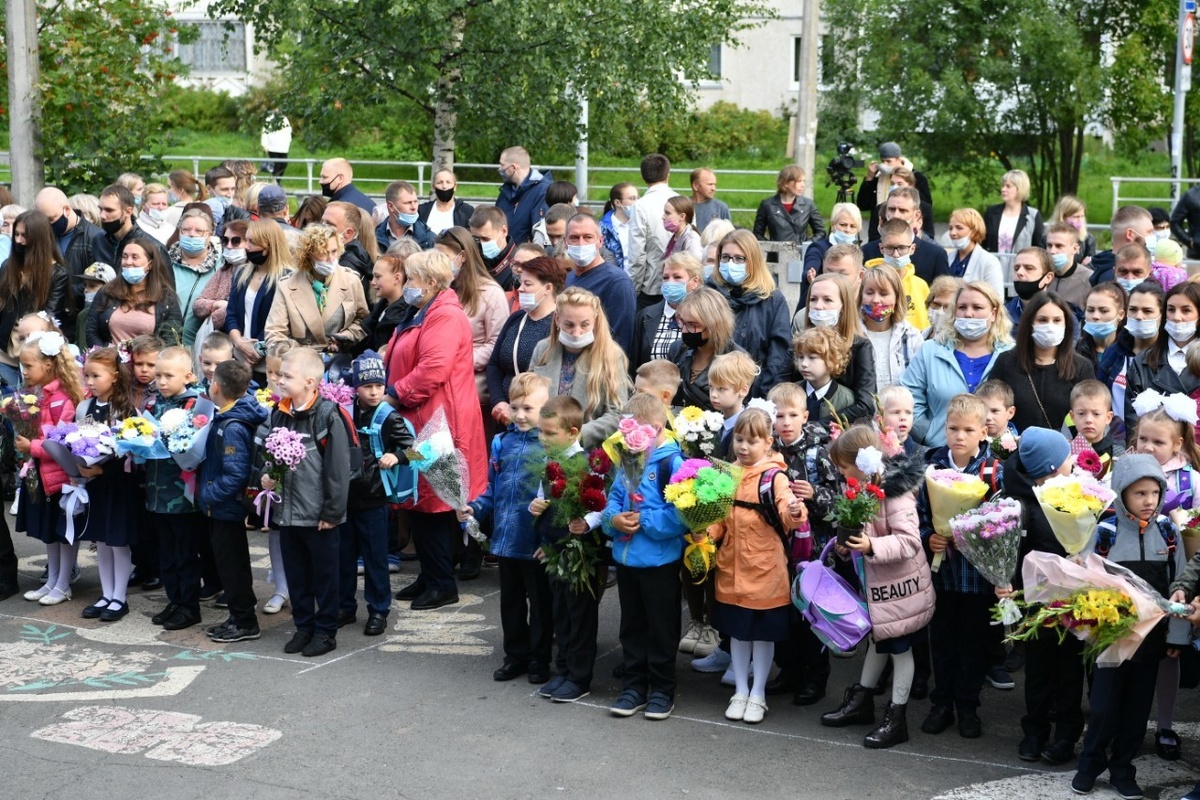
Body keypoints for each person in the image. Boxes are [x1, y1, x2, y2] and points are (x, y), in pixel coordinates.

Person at [385, 249, 488, 610]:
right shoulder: (426, 309)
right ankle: (431, 575)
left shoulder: (444, 316)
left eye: (411, 279)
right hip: (424, 419)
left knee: (434, 501)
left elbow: (432, 370)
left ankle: (442, 582)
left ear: (429, 282)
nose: (407, 285)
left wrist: (393, 395)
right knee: (421, 498)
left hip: (438, 424)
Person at [819, 426, 929, 748]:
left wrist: (869, 545)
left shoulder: (894, 492)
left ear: (860, 463)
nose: (840, 473)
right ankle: (863, 701)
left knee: (900, 650)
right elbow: (866, 532)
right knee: (879, 643)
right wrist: (850, 545)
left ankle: (897, 718)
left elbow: (909, 541)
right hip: (880, 588)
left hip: (901, 590)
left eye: (843, 466)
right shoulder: (867, 487)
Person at [706, 407, 803, 726]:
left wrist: (796, 513)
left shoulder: (775, 477)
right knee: (738, 632)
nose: (743, 447)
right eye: (739, 439)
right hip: (731, 568)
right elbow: (720, 521)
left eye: (751, 441)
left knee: (762, 635)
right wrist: (703, 533)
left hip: (765, 570)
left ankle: (758, 693)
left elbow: (787, 516)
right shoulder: (727, 473)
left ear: (768, 443)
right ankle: (741, 690)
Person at [993, 428, 1082, 764]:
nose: (1071, 461)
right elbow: (1007, 551)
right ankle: (1035, 731)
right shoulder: (1019, 504)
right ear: (1050, 468)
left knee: (1071, 670)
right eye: (1065, 458)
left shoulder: (1074, 494)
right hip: (1036, 601)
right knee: (1039, 670)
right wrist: (1004, 581)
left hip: (1073, 599)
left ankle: (1066, 736)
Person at [257, 346, 352, 656]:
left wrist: (333, 512)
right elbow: (271, 455)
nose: (279, 380)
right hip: (288, 512)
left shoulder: (326, 414)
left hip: (318, 515)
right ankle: (304, 627)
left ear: (310, 382)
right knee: (297, 575)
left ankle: (325, 631)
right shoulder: (279, 411)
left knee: (324, 576)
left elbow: (337, 468)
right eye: (279, 374)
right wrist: (267, 475)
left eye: (287, 376)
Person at [918, 394, 1003, 740]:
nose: (959, 436)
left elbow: (1002, 521)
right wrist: (929, 537)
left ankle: (968, 706)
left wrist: (975, 535)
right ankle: (942, 704)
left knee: (972, 643)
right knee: (942, 641)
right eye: (953, 428)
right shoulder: (932, 466)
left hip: (976, 578)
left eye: (968, 430)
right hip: (943, 575)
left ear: (983, 432)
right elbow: (921, 512)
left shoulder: (993, 470)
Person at [602, 393, 691, 721]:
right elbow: (613, 496)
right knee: (632, 626)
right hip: (627, 560)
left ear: (655, 428)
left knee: (661, 628)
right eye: (625, 433)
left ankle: (662, 690)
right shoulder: (628, 456)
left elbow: (683, 514)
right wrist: (613, 520)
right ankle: (634, 686)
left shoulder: (672, 464)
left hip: (659, 563)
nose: (626, 439)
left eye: (632, 433)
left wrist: (646, 521)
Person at [461, 372, 553, 683]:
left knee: (541, 604)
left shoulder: (549, 445)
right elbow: (492, 489)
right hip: (506, 538)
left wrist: (553, 540)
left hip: (536, 540)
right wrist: (474, 507)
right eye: (515, 408)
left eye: (529, 408)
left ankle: (540, 659)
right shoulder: (501, 442)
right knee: (511, 602)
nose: (520, 415)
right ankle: (516, 655)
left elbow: (558, 496)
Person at [766, 382, 840, 704]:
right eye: (778, 415)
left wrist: (815, 495)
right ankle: (788, 669)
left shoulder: (819, 451)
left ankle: (815, 675)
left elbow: (839, 500)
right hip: (776, 547)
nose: (785, 421)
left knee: (811, 612)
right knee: (783, 612)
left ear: (805, 416)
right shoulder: (768, 451)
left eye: (792, 415)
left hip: (812, 550)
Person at [340, 350, 414, 637]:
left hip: (374, 497)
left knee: (375, 558)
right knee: (343, 556)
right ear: (356, 387)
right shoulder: (344, 410)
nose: (374, 392)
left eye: (379, 386)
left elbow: (418, 451)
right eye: (367, 386)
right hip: (346, 495)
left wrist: (396, 456)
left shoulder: (390, 417)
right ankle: (345, 607)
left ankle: (378, 610)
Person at [197, 359, 270, 643]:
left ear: (216, 386)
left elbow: (235, 474)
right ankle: (239, 615)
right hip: (221, 508)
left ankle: (245, 622)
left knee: (233, 567)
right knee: (231, 564)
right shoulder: (228, 415)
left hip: (225, 508)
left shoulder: (233, 427)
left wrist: (208, 494)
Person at [144, 346, 212, 632]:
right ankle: (174, 600)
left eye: (168, 376)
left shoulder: (194, 405)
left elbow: (195, 446)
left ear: (187, 375)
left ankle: (189, 606)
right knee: (167, 552)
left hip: (182, 497)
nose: (161, 381)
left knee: (185, 553)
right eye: (158, 375)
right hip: (156, 491)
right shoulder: (155, 403)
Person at [68, 347, 136, 621]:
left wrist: (102, 470)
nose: (90, 382)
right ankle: (106, 593)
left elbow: (129, 451)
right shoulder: (85, 407)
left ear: (115, 376)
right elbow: (79, 440)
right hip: (94, 484)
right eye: (87, 376)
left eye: (96, 376)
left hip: (117, 484)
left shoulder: (125, 409)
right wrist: (77, 466)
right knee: (101, 542)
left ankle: (120, 597)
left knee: (118, 542)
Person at [16, 331, 83, 607]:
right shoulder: (41, 395)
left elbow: (60, 442)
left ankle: (63, 583)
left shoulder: (64, 399)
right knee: (50, 532)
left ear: (48, 365)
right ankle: (52, 580)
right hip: (44, 475)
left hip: (60, 477)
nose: (24, 371)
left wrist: (31, 447)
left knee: (63, 532)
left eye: (28, 365)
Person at [903, 281, 1014, 447]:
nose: (968, 314)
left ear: (994, 314)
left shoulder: (1011, 354)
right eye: (962, 307)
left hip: (996, 456)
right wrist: (929, 434)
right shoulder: (930, 351)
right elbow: (909, 398)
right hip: (939, 453)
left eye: (977, 308)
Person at [530, 287, 631, 448]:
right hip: (541, 445)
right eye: (569, 325)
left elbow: (618, 413)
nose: (576, 333)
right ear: (557, 319)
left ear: (595, 321)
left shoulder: (611, 355)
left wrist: (579, 435)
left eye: (584, 325)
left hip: (586, 452)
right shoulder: (542, 349)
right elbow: (529, 398)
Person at [437, 226, 510, 435]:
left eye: (444, 257)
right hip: (441, 388)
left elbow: (496, 344)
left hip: (473, 391)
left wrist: (457, 362)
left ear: (463, 257)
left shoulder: (490, 293)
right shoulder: (442, 289)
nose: (439, 263)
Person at [989, 291, 1094, 432]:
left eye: (1057, 320)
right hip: (1015, 449)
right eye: (1042, 320)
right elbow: (989, 407)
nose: (1050, 326)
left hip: (1065, 450)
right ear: (1030, 323)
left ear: (1066, 325)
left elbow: (1091, 414)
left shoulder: (1081, 367)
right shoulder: (1006, 362)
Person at [710, 230, 793, 399]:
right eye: (725, 257)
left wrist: (760, 396)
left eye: (739, 258)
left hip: (756, 395)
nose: (730, 263)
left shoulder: (773, 300)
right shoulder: (709, 295)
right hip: (712, 394)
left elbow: (778, 357)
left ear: (753, 262)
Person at [487, 256, 566, 426]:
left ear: (548, 288)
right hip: (502, 414)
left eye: (528, 284)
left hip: (534, 420)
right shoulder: (517, 318)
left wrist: (519, 411)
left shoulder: (559, 325)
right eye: (521, 283)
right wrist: (499, 401)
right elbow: (494, 364)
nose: (520, 289)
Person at [264, 223, 368, 350]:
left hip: (337, 360)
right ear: (308, 254)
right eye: (323, 253)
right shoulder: (287, 285)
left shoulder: (351, 281)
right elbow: (275, 332)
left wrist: (345, 337)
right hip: (299, 362)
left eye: (334, 251)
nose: (330, 259)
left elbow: (363, 321)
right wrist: (295, 352)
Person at [0, 211, 68, 387]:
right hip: (5, 350)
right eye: (16, 234)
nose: (19, 241)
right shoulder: (8, 267)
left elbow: (50, 316)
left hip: (35, 354)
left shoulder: (57, 274)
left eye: (25, 236)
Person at [796, 272, 875, 422]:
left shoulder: (860, 345)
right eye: (813, 299)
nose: (818, 306)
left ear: (843, 307)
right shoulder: (800, 343)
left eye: (827, 300)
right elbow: (782, 386)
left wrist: (820, 426)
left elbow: (865, 404)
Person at [1124, 282, 1200, 435]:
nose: (1176, 317)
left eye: (1186, 310)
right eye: (1171, 310)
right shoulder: (1143, 361)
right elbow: (1133, 422)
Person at [225, 220, 289, 384]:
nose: (246, 246)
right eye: (246, 240)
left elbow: (279, 322)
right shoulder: (241, 273)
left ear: (269, 245)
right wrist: (239, 342)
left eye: (252, 242)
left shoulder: (287, 279)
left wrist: (256, 351)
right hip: (238, 356)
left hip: (267, 363)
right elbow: (231, 313)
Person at [85, 239, 183, 347]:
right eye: (125, 256)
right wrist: (105, 355)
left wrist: (146, 359)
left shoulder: (166, 298)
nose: (128, 262)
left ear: (150, 264)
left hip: (145, 362)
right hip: (108, 360)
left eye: (135, 257)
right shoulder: (107, 292)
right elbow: (91, 330)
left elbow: (172, 339)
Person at [563, 213, 637, 353]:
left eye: (588, 237)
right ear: (565, 242)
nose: (581, 243)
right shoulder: (569, 278)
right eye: (574, 238)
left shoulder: (617, 282)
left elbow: (621, 341)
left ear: (600, 241)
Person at [1098, 280, 1163, 440]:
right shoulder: (1114, 353)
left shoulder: (1168, 357)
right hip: (1114, 441)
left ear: (1161, 315)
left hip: (1153, 443)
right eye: (1133, 310)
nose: (1139, 316)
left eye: (1147, 311)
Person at [35, 186, 107, 317]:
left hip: (79, 313)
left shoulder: (95, 237)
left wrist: (62, 292)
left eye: (51, 219)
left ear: (67, 209)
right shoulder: (41, 237)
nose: (47, 225)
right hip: (46, 312)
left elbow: (98, 279)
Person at [670, 287, 741, 410]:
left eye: (693, 325)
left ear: (714, 324)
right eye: (682, 322)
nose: (684, 330)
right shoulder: (678, 350)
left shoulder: (737, 359)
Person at [630, 253, 704, 371]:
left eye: (677, 277)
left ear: (695, 281)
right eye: (665, 278)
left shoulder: (706, 316)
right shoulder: (646, 316)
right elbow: (634, 363)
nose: (670, 282)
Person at [858, 264, 923, 394]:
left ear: (897, 298)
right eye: (869, 293)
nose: (876, 300)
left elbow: (919, 386)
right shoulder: (851, 333)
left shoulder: (911, 336)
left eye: (884, 293)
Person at [861, 187, 948, 285]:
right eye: (892, 209)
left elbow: (943, 294)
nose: (896, 215)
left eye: (903, 210)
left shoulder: (935, 255)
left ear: (916, 215)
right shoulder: (867, 251)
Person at [629, 153, 679, 309]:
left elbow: (637, 253)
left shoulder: (640, 206)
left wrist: (633, 289)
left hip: (651, 286)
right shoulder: (682, 201)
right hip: (681, 284)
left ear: (643, 177)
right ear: (668, 175)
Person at [169, 208, 223, 347]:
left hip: (205, 350)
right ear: (179, 232)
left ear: (210, 234)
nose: (192, 235)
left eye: (199, 231)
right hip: (165, 346)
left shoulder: (223, 266)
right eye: (186, 230)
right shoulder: (165, 262)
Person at [95, 184, 170, 271]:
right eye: (100, 209)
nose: (102, 215)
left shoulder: (154, 247)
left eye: (109, 210)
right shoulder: (98, 240)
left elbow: (165, 283)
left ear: (128, 211)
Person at [358, 246, 418, 355]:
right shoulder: (382, 307)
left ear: (397, 278)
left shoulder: (403, 317)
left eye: (378, 277)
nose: (372, 282)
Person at [794, 326, 856, 429]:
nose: (804, 364)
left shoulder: (847, 399)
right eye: (801, 357)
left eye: (812, 358)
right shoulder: (791, 392)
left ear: (832, 360)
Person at [801, 203, 861, 309]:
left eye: (853, 226)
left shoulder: (857, 252)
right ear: (833, 225)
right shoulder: (818, 247)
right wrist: (810, 274)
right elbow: (811, 263)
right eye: (843, 225)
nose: (847, 230)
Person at [855, 141, 933, 221]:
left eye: (888, 161)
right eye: (882, 161)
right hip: (880, 224)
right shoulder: (878, 176)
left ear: (898, 159)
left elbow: (926, 206)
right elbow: (863, 205)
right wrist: (869, 178)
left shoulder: (917, 177)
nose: (885, 164)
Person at [496, 147, 554, 245]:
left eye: (502, 165)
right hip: (506, 253)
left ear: (513, 167)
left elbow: (540, 231)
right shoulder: (507, 190)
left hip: (527, 254)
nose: (500, 169)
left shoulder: (543, 191)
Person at [753, 166, 824, 244]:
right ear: (786, 183)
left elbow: (821, 232)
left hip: (801, 253)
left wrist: (806, 246)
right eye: (799, 181)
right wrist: (772, 249)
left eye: (804, 181)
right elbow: (757, 235)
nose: (803, 185)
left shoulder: (808, 204)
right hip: (777, 254)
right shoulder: (767, 205)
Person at [1064, 380, 1122, 477]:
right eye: (1081, 413)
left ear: (1108, 417)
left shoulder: (1118, 455)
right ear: (1072, 416)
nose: (1089, 420)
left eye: (1096, 414)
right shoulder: (1064, 453)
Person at [982, 169, 1044, 257]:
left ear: (1019, 189)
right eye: (1003, 185)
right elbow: (982, 243)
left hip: (1021, 268)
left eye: (1008, 186)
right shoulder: (991, 212)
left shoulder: (1033, 216)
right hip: (993, 267)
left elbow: (1039, 248)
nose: (1003, 189)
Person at [945, 208, 1004, 299]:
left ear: (974, 231)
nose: (953, 233)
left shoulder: (989, 261)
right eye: (950, 228)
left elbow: (997, 298)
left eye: (959, 228)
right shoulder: (948, 258)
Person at [1090, 205, 1156, 286]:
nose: (1154, 236)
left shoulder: (1104, 265)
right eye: (1149, 232)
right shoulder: (1110, 280)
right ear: (1130, 234)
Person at [324, 201, 379, 297]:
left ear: (348, 233)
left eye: (329, 224)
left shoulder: (346, 266)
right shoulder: (353, 256)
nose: (321, 228)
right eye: (321, 222)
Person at [866, 166, 935, 241]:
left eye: (899, 184)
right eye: (892, 183)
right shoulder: (880, 208)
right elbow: (873, 238)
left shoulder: (925, 208)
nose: (895, 187)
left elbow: (929, 237)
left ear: (910, 185)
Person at [707, 351, 755, 458]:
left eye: (721, 389)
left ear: (743, 390)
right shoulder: (710, 424)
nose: (714, 394)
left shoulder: (751, 426)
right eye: (711, 387)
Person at [1075, 282, 1127, 373]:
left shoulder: (1129, 353)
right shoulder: (1076, 350)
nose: (1095, 316)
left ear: (1121, 314)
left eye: (1104, 311)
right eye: (1090, 310)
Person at [1044, 222, 1093, 312]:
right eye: (1049, 245)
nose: (1052, 251)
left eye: (1059, 246)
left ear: (1075, 248)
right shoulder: (1040, 276)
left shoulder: (1089, 279)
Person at [375, 180, 435, 252]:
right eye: (408, 203)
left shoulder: (429, 239)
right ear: (390, 206)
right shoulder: (374, 237)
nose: (414, 207)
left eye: (415, 202)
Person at [469, 205, 519, 292]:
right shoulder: (471, 260)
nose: (481, 244)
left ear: (504, 231)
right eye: (476, 239)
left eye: (485, 239)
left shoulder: (519, 265)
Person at [420, 170, 474, 235]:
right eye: (439, 182)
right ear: (433, 187)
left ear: (455, 187)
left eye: (448, 182)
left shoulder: (467, 211)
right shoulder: (422, 211)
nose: (444, 186)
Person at [600, 183, 638, 274]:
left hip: (638, 280)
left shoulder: (641, 224)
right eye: (632, 199)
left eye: (637, 198)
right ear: (617, 202)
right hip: (612, 278)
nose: (637, 202)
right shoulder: (603, 228)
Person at [1048, 194, 1096, 266]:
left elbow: (1091, 265)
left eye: (1082, 216)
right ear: (1063, 216)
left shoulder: (1088, 240)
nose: (1080, 221)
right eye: (1076, 217)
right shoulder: (1048, 238)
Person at [662, 196, 704, 264]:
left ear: (682, 216)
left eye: (668, 213)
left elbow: (695, 267)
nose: (663, 217)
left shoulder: (692, 240)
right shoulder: (675, 237)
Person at [261, 111, 292, 182]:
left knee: (284, 164)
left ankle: (277, 180)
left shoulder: (285, 119)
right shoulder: (269, 119)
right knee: (276, 164)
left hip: (283, 147)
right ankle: (275, 181)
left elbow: (288, 131)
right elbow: (265, 132)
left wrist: (288, 142)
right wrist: (264, 144)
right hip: (272, 147)